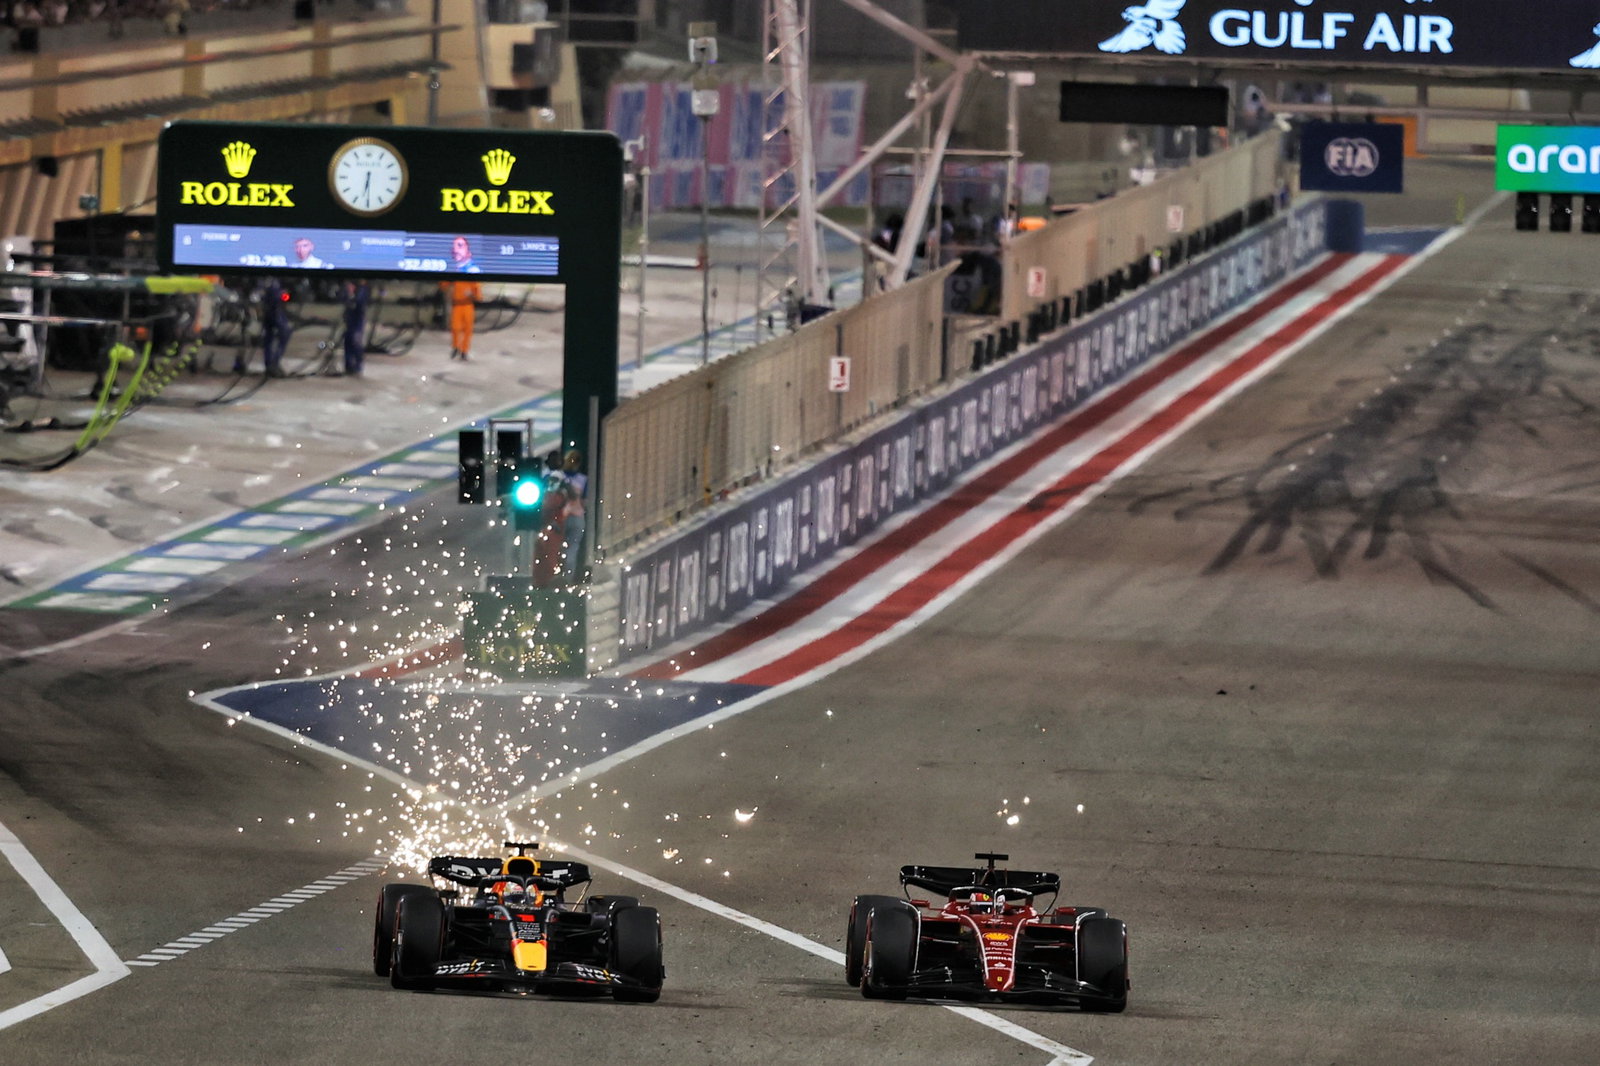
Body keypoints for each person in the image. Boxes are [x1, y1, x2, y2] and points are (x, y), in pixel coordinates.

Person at [558, 448, 587, 582]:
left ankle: (554, 577)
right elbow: (584, 502)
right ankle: (567, 579)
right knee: (572, 549)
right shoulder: (583, 479)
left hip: (559, 518)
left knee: (555, 547)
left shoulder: (558, 477)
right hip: (576, 517)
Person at [258, 277, 290, 378]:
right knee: (283, 334)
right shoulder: (271, 282)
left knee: (269, 337)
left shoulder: (266, 281)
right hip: (274, 311)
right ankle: (273, 364)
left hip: (270, 311)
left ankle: (270, 365)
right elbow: (277, 296)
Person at [442, 278, 481, 360]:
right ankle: (456, 347)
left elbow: (478, 296)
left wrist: (472, 295)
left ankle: (464, 351)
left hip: (468, 305)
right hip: (456, 305)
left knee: (468, 329)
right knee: (455, 328)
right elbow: (444, 286)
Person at [338, 279, 369, 377]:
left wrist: (351, 295)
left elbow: (359, 304)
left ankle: (357, 366)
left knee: (355, 341)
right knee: (348, 341)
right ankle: (348, 366)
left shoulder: (362, 290)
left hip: (357, 319)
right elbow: (343, 299)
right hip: (349, 319)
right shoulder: (347, 290)